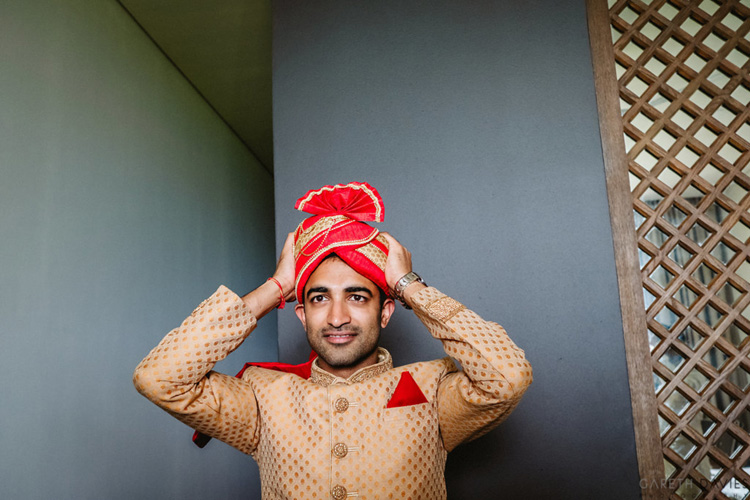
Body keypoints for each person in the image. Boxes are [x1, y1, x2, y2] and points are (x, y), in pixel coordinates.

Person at [133, 182, 532, 500]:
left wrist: (410, 287)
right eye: (319, 297)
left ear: (386, 311)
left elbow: (508, 377)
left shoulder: (434, 390)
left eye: (357, 297)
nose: (337, 317)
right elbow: (159, 378)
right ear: (301, 313)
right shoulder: (262, 398)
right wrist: (275, 287)